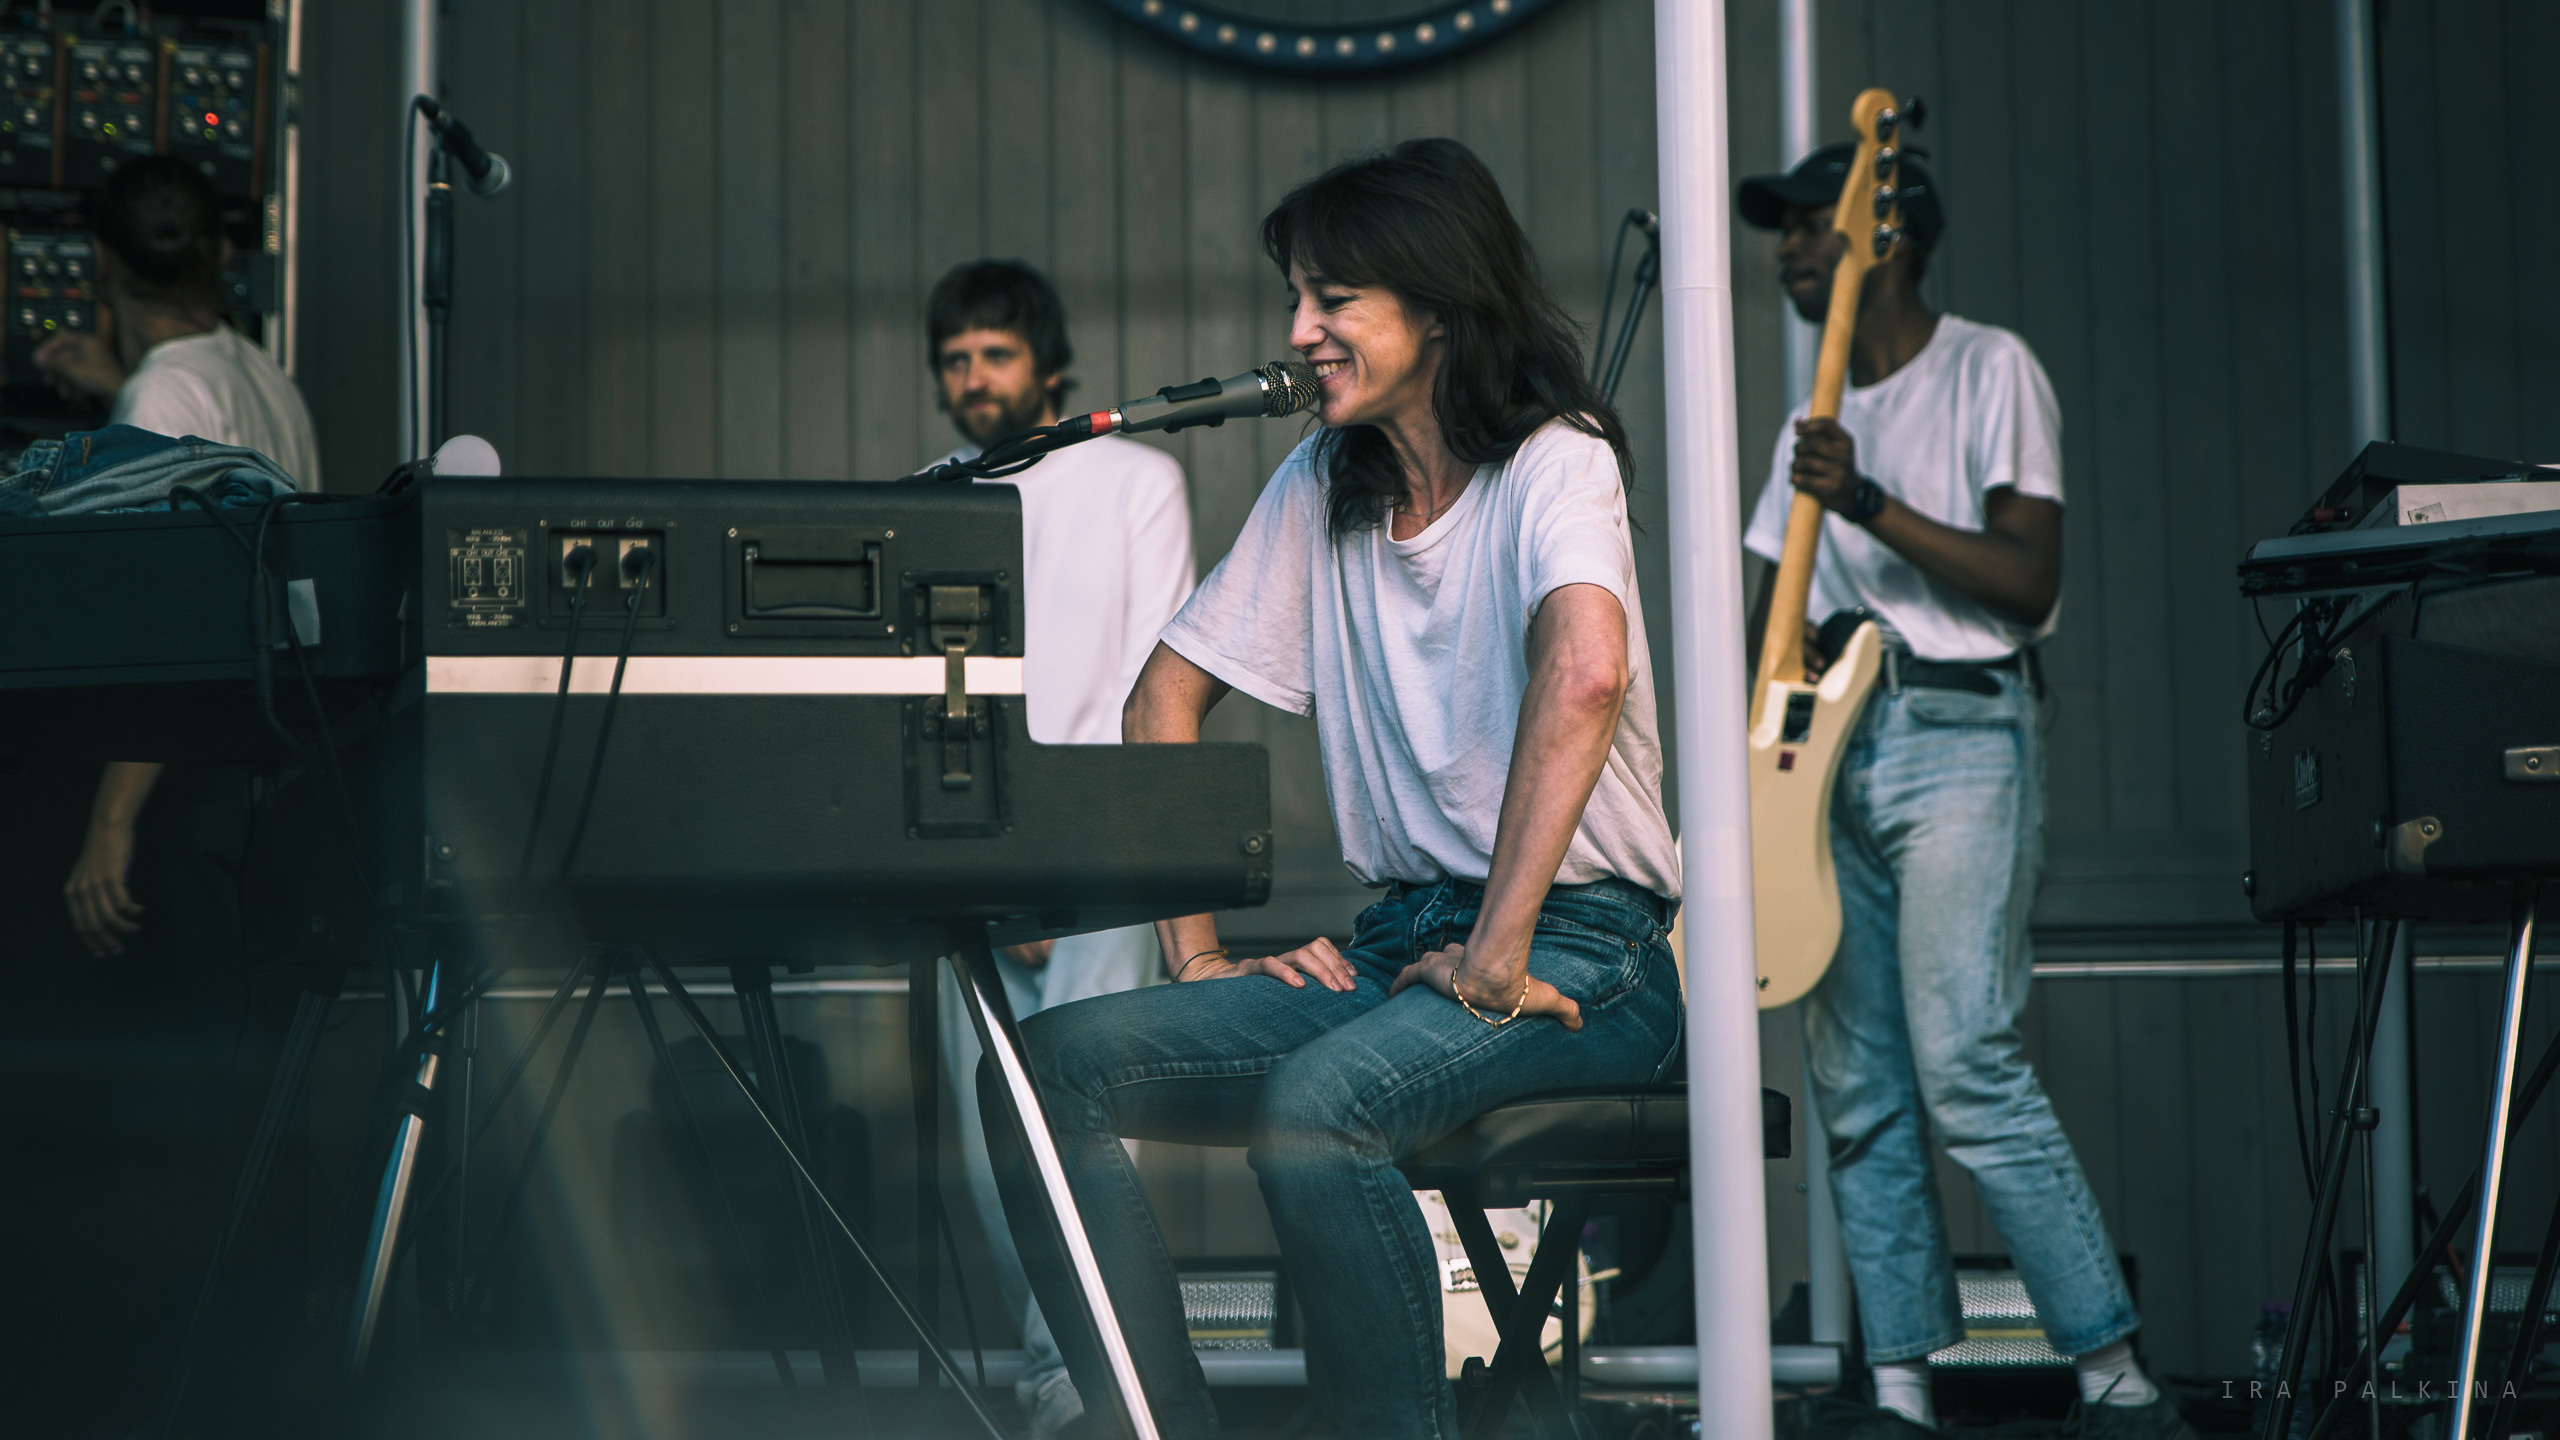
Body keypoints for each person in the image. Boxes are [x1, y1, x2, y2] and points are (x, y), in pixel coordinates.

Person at [982, 138, 1683, 1440]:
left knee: (1318, 1109)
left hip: (1586, 955)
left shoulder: (1556, 459)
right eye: (1297, 298)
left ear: (1437, 298)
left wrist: (1497, 951)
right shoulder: (1323, 479)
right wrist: (1189, 956)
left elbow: (1585, 675)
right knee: (1045, 1072)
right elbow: (1164, 698)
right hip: (1403, 945)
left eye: (1333, 299)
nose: (1299, 331)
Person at [1735, 146, 2189, 1440]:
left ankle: (2116, 1381)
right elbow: (1765, 597)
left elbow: (2027, 582)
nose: (1789, 252)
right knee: (1856, 1081)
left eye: (1812, 227)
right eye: (1780, 234)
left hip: (1958, 733)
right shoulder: (1810, 427)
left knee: (1965, 1062)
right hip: (1826, 752)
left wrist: (1864, 500)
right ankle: (1900, 1391)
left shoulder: (1990, 367)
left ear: (1893, 232)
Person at [920, 259, 1198, 1438]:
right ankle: (1061, 1394)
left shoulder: (1140, 476)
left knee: (1088, 1132)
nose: (973, 377)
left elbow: (1155, 680)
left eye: (994, 353)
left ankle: (1098, 1394)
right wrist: (988, 868)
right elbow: (926, 693)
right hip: (957, 866)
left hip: (1099, 861)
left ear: (1046, 363)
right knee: (994, 1146)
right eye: (954, 358)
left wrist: (1058, 859)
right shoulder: (928, 492)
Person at [40, 154, 322, 961]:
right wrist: (122, 394)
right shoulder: (260, 371)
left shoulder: (161, 397)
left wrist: (108, 826)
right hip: (265, 766)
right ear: (223, 256)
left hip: (191, 781)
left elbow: (169, 624)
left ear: (100, 259)